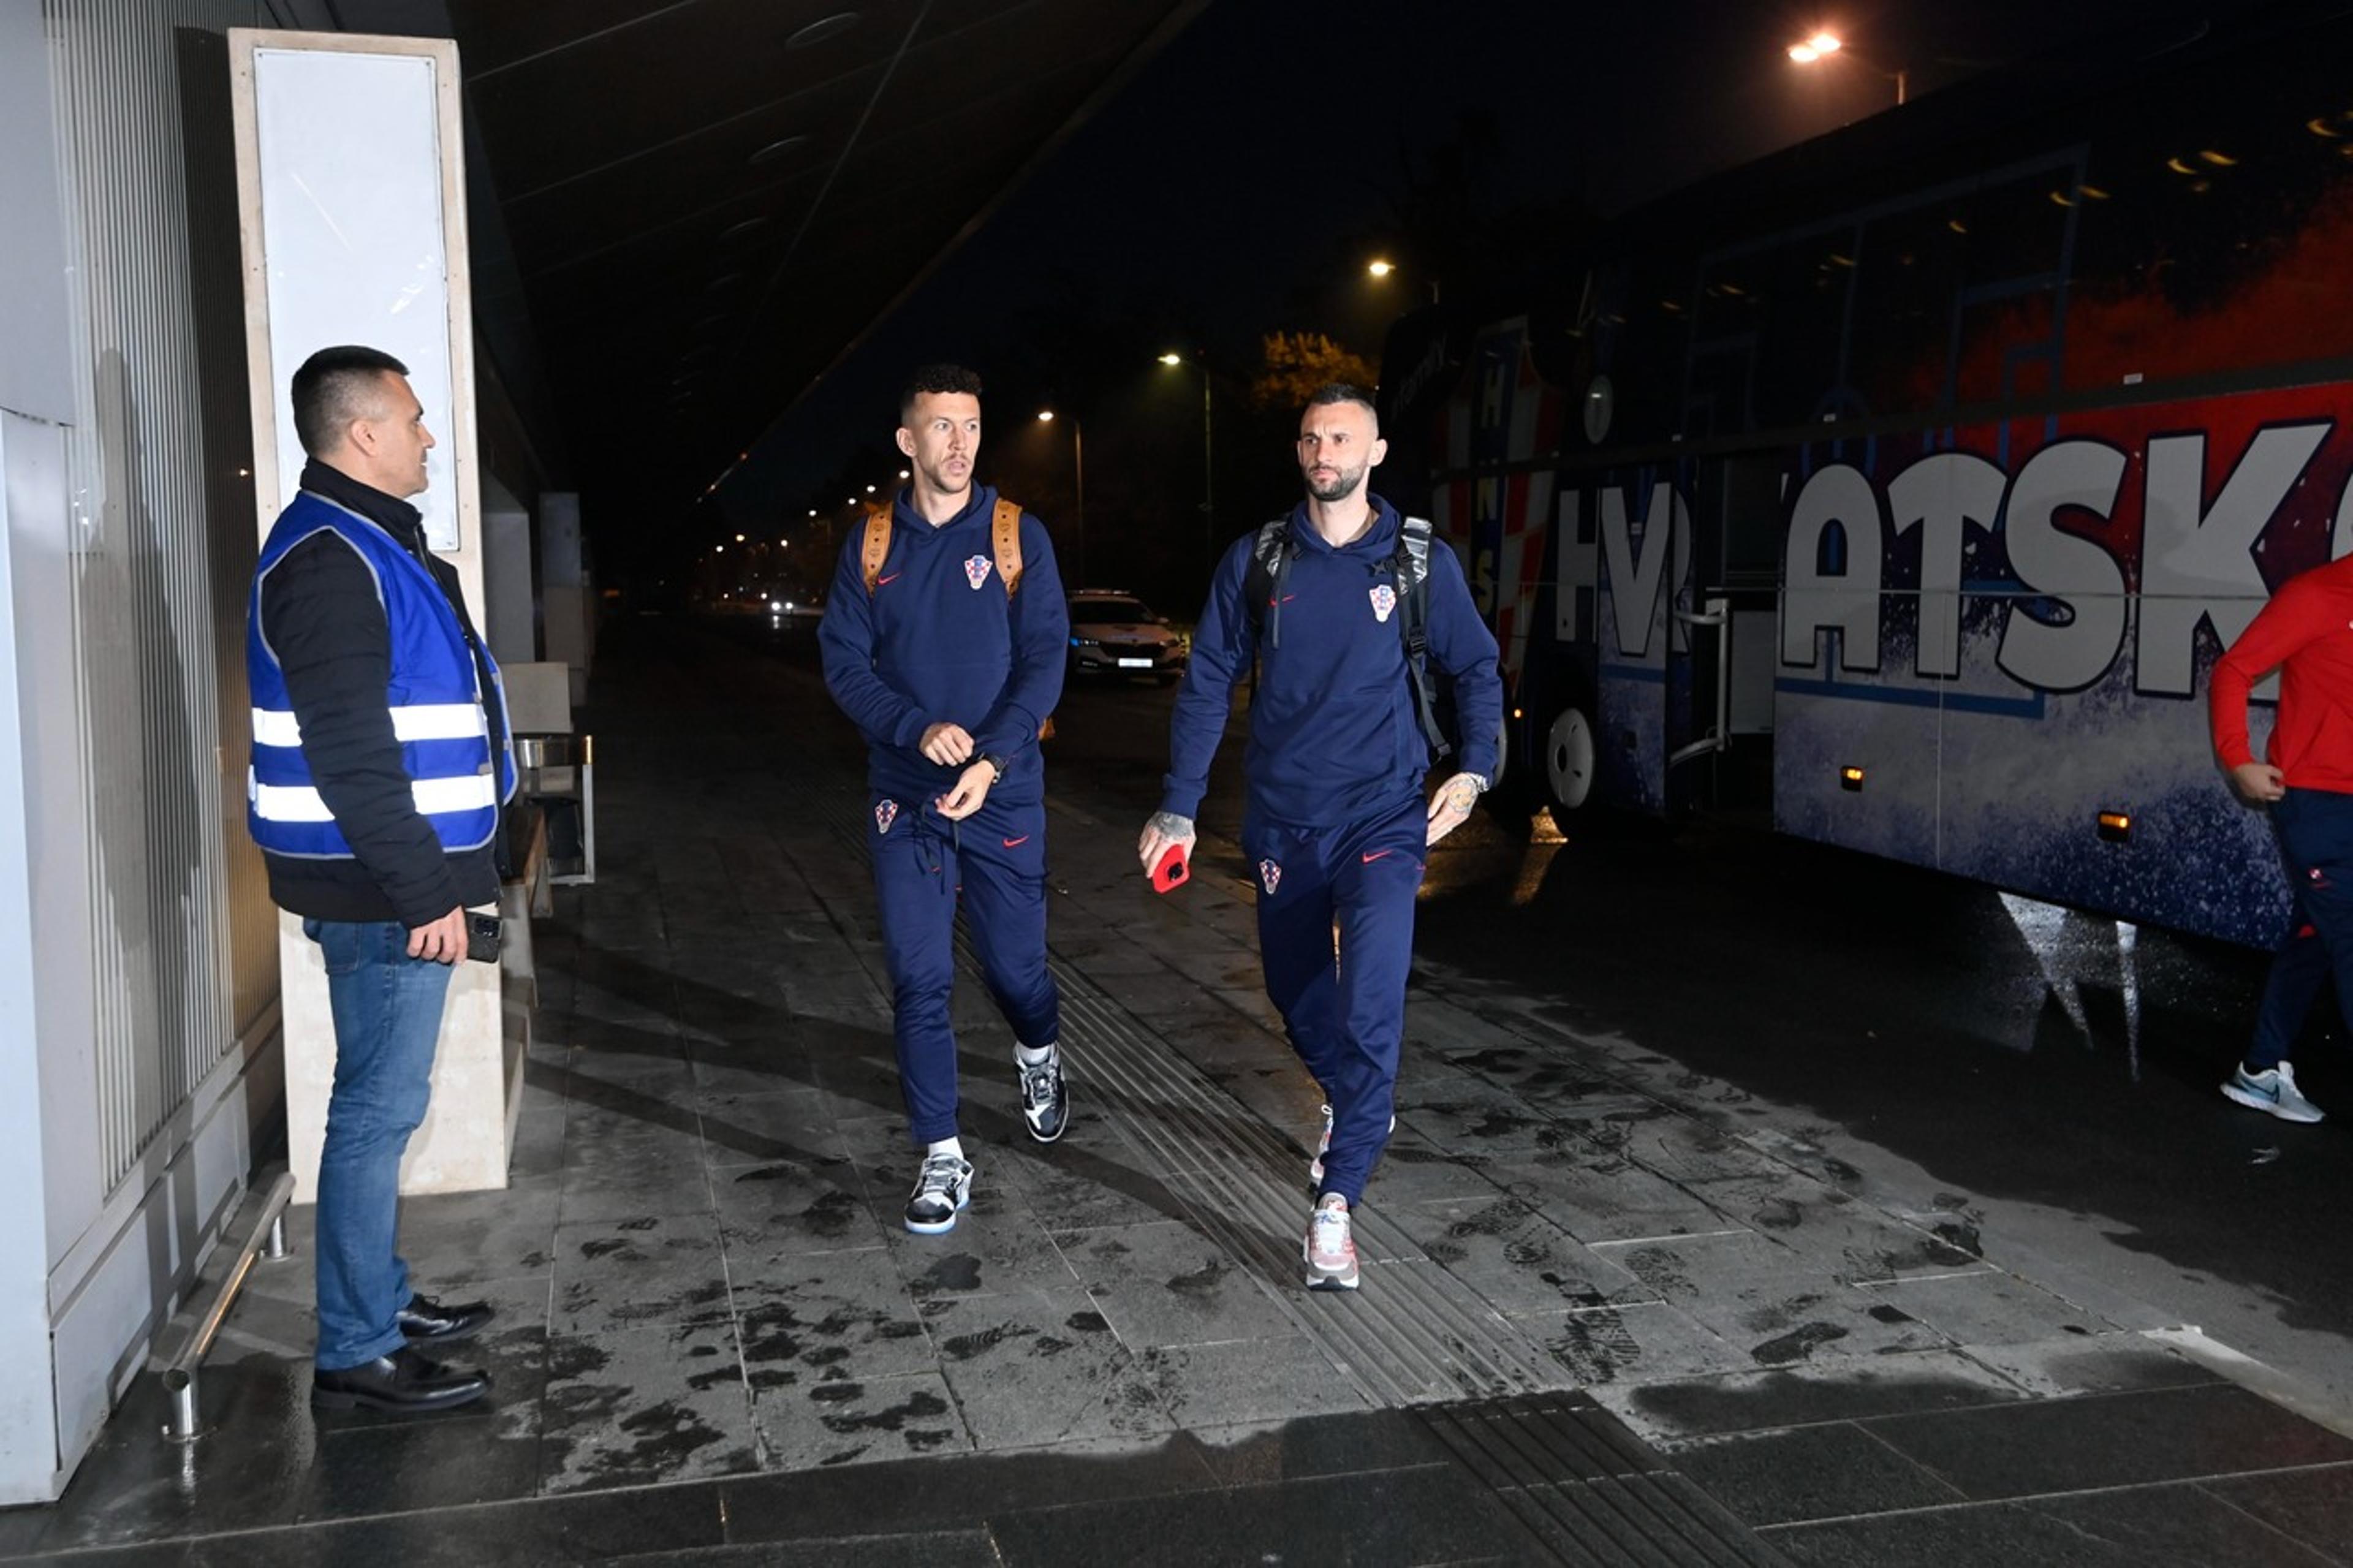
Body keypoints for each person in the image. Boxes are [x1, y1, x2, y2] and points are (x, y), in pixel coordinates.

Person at [1139, 384, 1502, 1291]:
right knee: (1298, 996)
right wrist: (1180, 803)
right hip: (1282, 820)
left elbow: (1477, 665)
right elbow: (1208, 679)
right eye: (1310, 436)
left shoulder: (1418, 562)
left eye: (1341, 435)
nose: (1322, 449)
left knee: (1372, 1002)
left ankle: (1337, 1205)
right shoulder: (1259, 560)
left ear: (1377, 452)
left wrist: (1476, 767)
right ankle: (1352, 1100)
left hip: (1385, 817)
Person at [246, 345, 512, 1412]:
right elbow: (351, 750)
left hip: (388, 881)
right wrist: (425, 892)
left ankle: (381, 1295)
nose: (428, 436)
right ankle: (354, 1348)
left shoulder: (366, 543)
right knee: (374, 1110)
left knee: (380, 1104)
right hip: (382, 889)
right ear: (361, 432)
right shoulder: (328, 559)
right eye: (412, 417)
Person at [819, 364, 1072, 1235]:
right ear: (908, 440)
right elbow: (845, 663)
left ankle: (1037, 1050)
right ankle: (941, 1154)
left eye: (970, 424)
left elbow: (1045, 660)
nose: (959, 441)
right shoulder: (871, 545)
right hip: (908, 793)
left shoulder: (1015, 535)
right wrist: (914, 727)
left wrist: (994, 757)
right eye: (941, 425)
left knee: (1015, 972)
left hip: (1004, 792)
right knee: (918, 980)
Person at [2209, 550, 2353, 1124]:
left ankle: (2262, 1070)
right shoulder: (2318, 594)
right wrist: (2237, 758)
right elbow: (2234, 670)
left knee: (2316, 933)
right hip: (2317, 805)